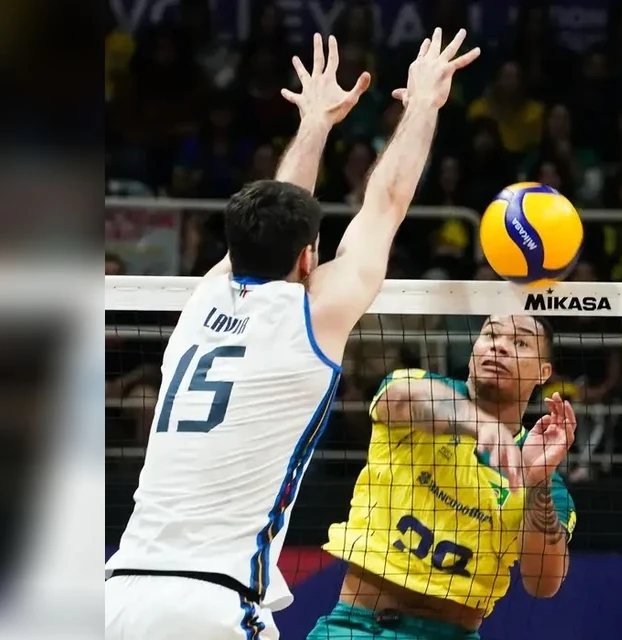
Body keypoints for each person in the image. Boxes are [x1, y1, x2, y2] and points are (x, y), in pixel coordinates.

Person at [104, 30, 480, 639]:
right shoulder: (312, 318)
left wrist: (312, 123)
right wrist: (421, 108)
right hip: (213, 603)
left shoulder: (202, 299)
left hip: (115, 592)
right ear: (309, 259)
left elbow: (278, 210)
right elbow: (384, 204)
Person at [308, 313, 577, 640]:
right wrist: (480, 423)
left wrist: (538, 481)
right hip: (359, 628)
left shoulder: (544, 476)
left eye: (519, 342)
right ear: (474, 349)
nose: (501, 347)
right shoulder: (418, 387)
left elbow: (543, 583)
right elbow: (402, 401)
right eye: (491, 335)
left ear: (543, 372)